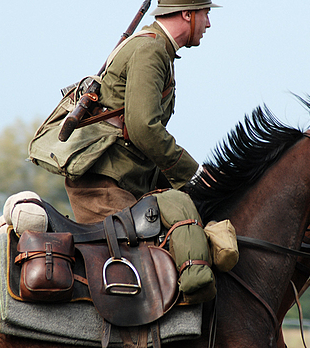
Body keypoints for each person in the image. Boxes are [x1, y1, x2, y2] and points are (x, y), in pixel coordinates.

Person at [64, 0, 222, 304]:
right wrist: (195, 174)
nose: (208, 23)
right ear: (188, 15)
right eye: (206, 14)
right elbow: (143, 128)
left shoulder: (157, 49)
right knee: (145, 279)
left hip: (121, 183)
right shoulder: (151, 51)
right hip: (105, 188)